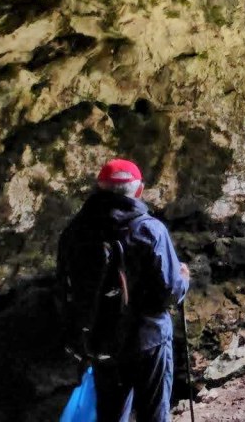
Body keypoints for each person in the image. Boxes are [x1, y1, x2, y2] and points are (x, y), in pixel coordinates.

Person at [57, 159, 190, 422]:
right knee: (153, 414)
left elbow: (63, 286)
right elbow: (170, 292)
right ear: (139, 190)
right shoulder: (150, 230)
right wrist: (184, 277)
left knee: (111, 414)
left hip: (101, 341)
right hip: (148, 340)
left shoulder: (74, 232)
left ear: (98, 188)